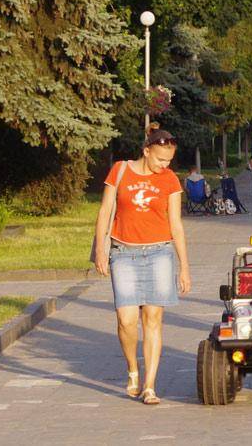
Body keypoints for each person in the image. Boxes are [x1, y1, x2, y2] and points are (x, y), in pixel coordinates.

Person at [92, 123, 191, 405]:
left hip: (159, 253)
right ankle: (133, 368)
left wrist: (184, 267)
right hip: (123, 252)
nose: (164, 165)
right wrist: (101, 249)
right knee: (126, 320)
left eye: (169, 160)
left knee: (153, 319)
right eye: (160, 159)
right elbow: (105, 211)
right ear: (146, 151)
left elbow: (176, 224)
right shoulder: (120, 170)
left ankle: (149, 386)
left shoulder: (170, 180)